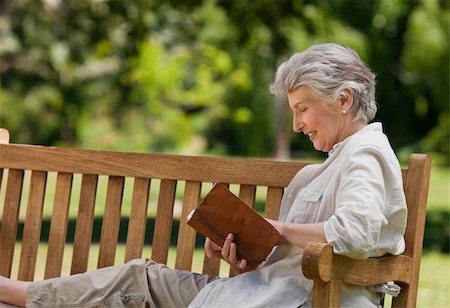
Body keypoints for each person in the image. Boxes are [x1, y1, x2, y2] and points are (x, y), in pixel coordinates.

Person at [0, 43, 407, 308]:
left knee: (140, 281)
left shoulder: (366, 154)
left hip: (300, 301)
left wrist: (277, 229)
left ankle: (12, 294)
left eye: (302, 108)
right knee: (141, 275)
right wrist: (247, 253)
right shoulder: (321, 170)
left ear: (343, 99)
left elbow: (355, 233)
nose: (298, 125)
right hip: (265, 294)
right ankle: (13, 292)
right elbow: (296, 253)